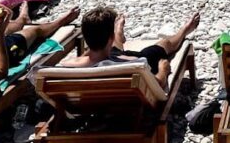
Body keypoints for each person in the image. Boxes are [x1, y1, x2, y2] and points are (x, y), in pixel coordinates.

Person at [60, 6, 200, 90]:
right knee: (163, 44)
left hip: (105, 57)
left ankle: (118, 31)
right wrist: (163, 69)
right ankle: (184, 31)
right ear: (110, 38)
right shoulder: (135, 65)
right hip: (121, 68)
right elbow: (157, 84)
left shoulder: (65, 68)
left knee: (113, 49)